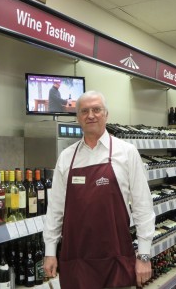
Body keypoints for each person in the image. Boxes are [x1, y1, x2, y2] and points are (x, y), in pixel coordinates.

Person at [43, 90, 155, 289]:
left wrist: (144, 255)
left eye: (97, 109)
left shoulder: (127, 153)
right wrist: (50, 251)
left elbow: (143, 207)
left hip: (116, 260)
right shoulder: (67, 157)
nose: (91, 115)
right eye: (84, 111)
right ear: (78, 118)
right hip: (76, 260)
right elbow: (55, 210)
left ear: (106, 114)